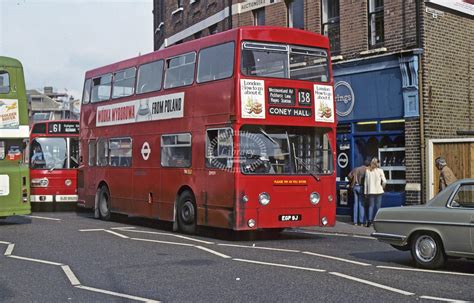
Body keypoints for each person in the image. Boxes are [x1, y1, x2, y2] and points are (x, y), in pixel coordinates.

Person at [364, 157, 386, 227]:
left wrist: (365, 192)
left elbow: (365, 183)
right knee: (378, 207)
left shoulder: (368, 171)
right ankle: (377, 221)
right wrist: (382, 187)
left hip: (371, 191)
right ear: (377, 163)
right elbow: (385, 181)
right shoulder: (380, 170)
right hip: (379, 191)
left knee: (371, 206)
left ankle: (369, 222)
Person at [348, 159, 370, 225]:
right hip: (361, 187)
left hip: (354, 187)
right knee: (361, 204)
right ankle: (361, 221)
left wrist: (352, 181)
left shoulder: (356, 169)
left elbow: (349, 176)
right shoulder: (366, 170)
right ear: (368, 165)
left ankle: (355, 222)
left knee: (355, 204)